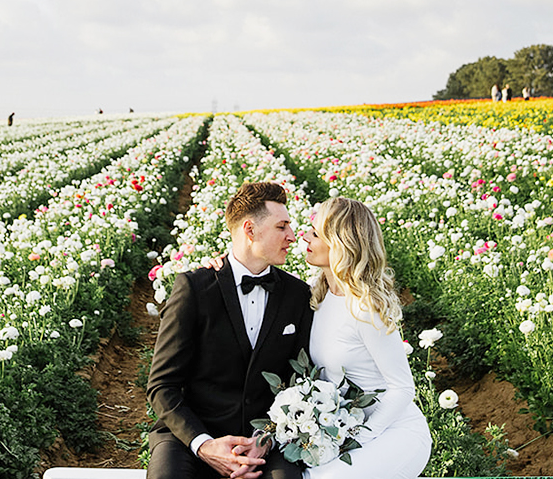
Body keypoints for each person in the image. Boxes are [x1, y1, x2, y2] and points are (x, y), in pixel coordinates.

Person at [147, 182, 313, 479]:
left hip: (265, 440)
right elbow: (162, 385)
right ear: (250, 230)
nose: (291, 236)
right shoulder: (194, 289)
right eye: (282, 226)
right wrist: (204, 444)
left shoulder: (298, 295)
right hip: (192, 436)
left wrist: (267, 438)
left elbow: (299, 382)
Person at [300, 197, 431, 479]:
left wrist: (355, 438)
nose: (305, 236)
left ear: (339, 242)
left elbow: (402, 388)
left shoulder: (364, 307)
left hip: (395, 433)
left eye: (315, 233)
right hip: (342, 430)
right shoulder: (318, 296)